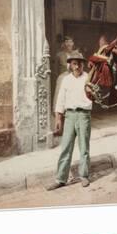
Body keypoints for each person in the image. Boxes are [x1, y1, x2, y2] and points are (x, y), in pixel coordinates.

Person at [46, 52, 92, 190]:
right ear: (70, 65)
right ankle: (61, 178)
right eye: (74, 63)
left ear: (83, 64)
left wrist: (93, 91)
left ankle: (84, 176)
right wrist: (59, 118)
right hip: (70, 116)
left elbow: (96, 96)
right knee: (65, 147)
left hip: (84, 115)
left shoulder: (88, 78)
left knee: (84, 147)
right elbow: (61, 99)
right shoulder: (66, 80)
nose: (77, 66)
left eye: (79, 63)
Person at [53, 36, 79, 111]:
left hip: (74, 77)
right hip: (63, 77)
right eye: (67, 42)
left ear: (73, 43)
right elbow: (56, 70)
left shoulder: (76, 55)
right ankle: (60, 111)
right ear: (64, 44)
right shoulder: (59, 55)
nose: (68, 44)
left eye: (70, 42)